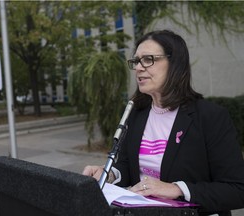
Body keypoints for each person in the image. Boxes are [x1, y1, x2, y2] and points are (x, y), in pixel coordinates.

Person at [82, 29, 244, 216]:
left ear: (175, 64)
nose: (139, 68)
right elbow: (128, 166)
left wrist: (176, 189)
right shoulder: (136, 114)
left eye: (148, 59)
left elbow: (237, 189)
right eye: (136, 61)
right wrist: (110, 174)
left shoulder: (210, 117)